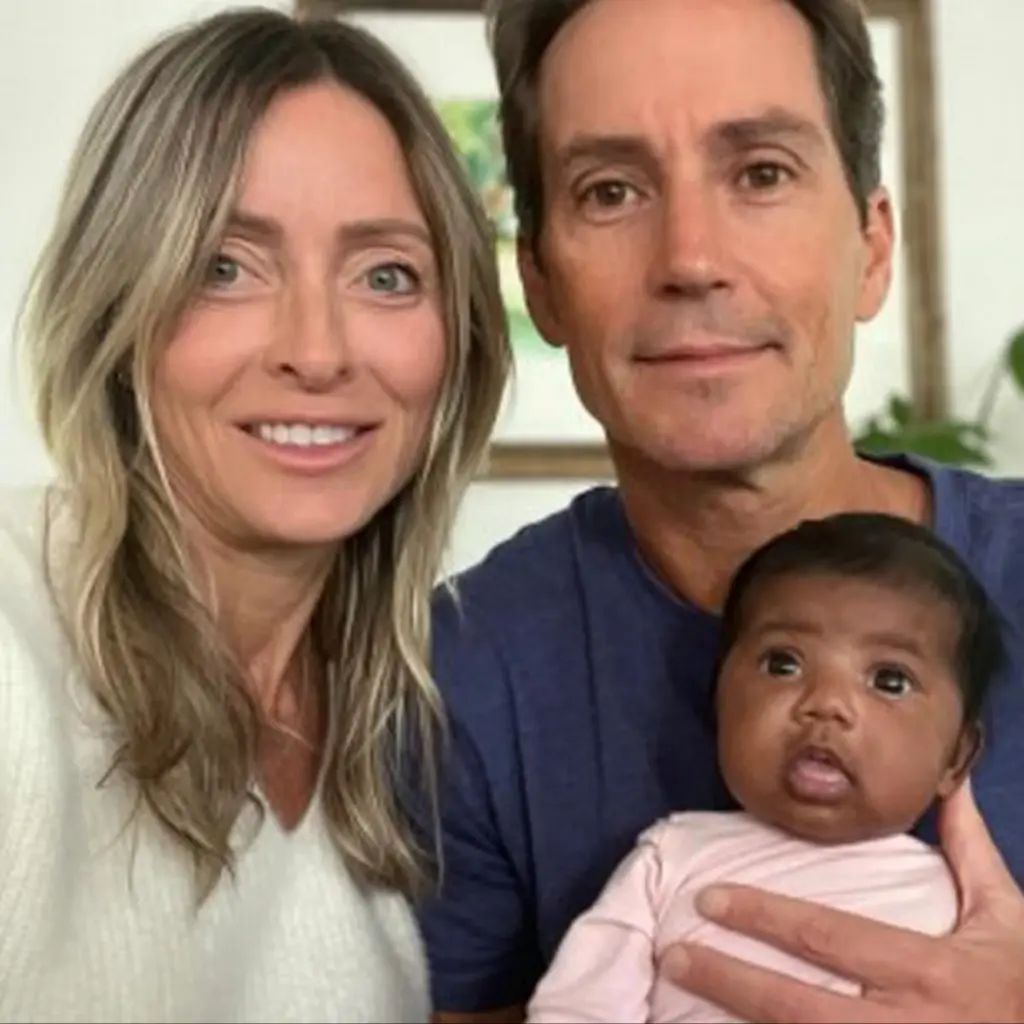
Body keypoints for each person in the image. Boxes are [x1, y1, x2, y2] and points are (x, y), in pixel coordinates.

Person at [418, 0, 1024, 1021]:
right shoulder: (464, 672)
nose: (690, 258)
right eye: (610, 190)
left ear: (871, 247)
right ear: (539, 280)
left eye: (760, 173)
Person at [0, 6, 509, 1022]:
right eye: (225, 267)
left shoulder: (419, 730)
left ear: (454, 339)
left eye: (385, 274)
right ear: (117, 308)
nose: (316, 352)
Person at [526, 513, 1001, 1023]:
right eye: (783, 664)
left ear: (955, 757)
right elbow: (579, 1009)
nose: (826, 704)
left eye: (889, 680)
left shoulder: (970, 908)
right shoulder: (672, 858)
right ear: (719, 702)